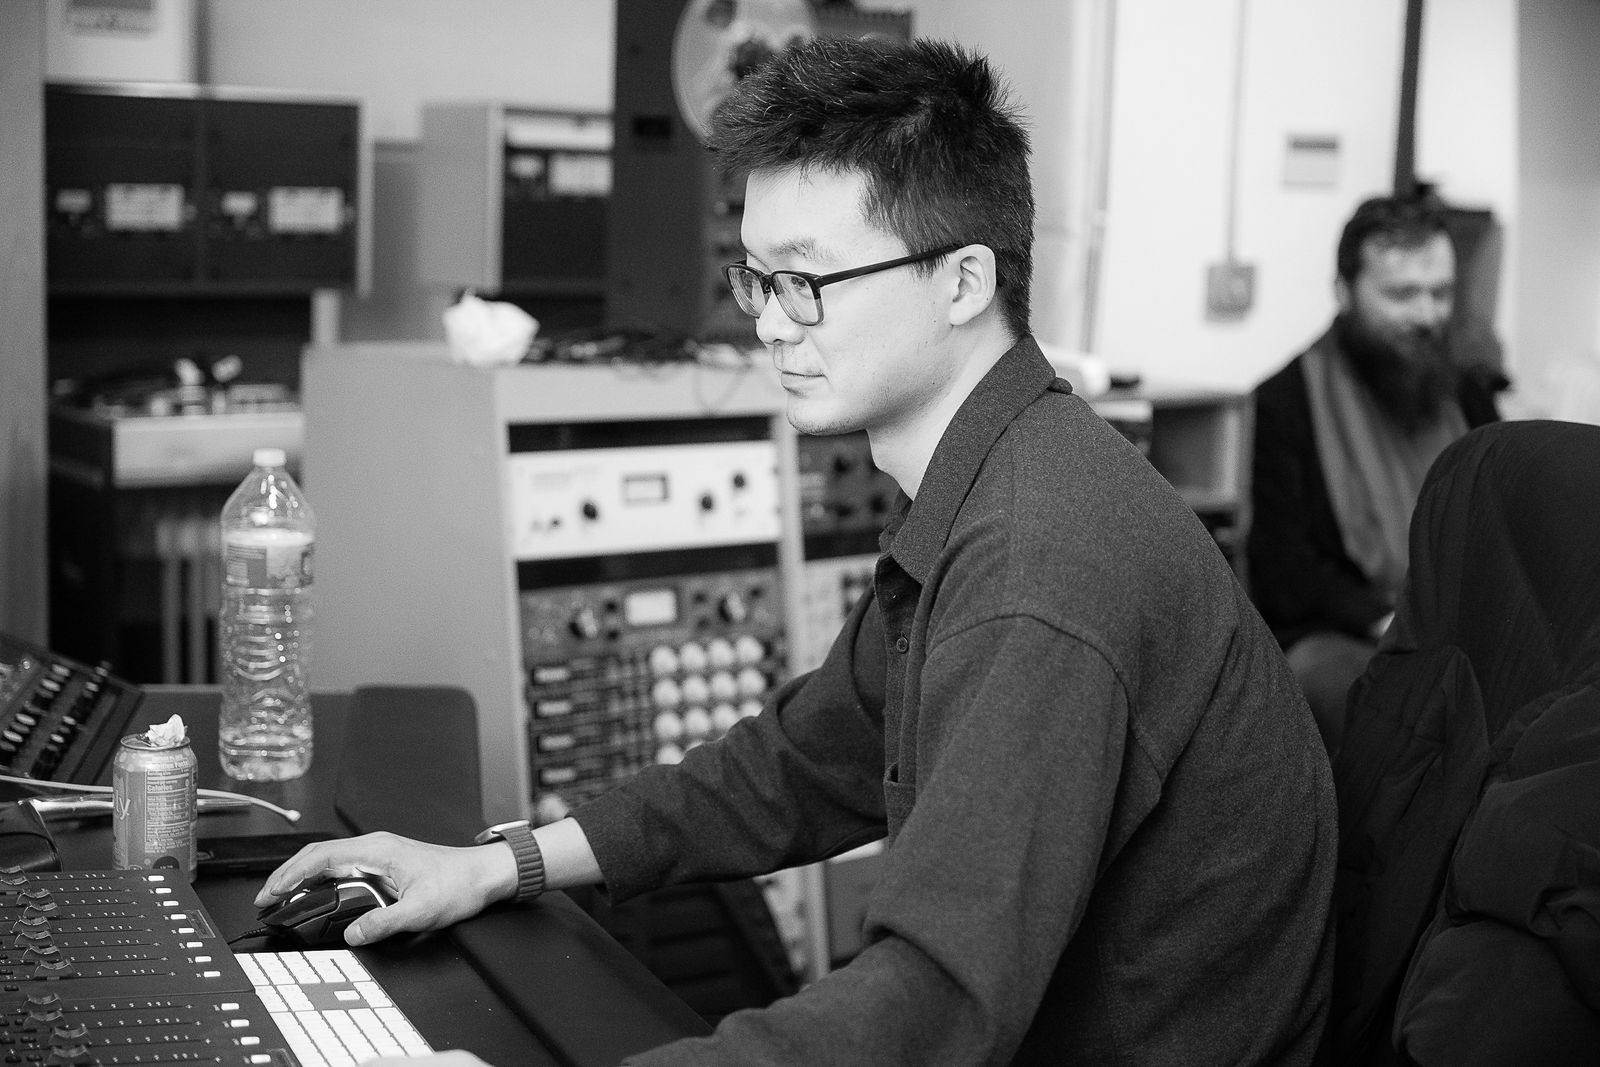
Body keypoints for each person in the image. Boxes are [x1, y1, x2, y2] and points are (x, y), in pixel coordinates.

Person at [259, 37, 1336, 1066]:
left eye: (807, 281)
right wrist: (500, 864)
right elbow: (796, 764)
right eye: (758, 279)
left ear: (963, 282)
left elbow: (937, 1001)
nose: (771, 325)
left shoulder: (1036, 567)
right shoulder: (996, 479)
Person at [1247, 194, 1503, 756]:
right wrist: (1397, 623)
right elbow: (1285, 573)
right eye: (1402, 295)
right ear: (1344, 292)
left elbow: (1507, 527)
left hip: (1464, 626)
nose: (1428, 316)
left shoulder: (1467, 392)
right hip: (1351, 633)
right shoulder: (1286, 402)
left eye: (1440, 293)